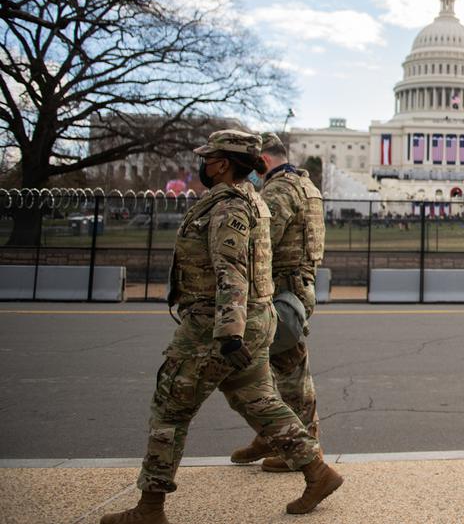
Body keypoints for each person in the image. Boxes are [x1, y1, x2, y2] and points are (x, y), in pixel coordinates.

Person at [100, 130, 342, 524]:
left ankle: (150, 507)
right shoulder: (254, 200)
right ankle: (318, 471)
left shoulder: (229, 206)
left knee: (170, 409)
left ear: (223, 163)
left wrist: (229, 333)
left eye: (209, 158)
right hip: (254, 316)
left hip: (217, 322)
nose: (203, 164)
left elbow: (232, 271)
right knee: (259, 398)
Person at [230, 132, 327, 472]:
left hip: (283, 290)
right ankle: (271, 435)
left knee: (289, 371)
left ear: (265, 161)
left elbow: (261, 240)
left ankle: (304, 448)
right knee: (266, 368)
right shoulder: (306, 185)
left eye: (255, 166)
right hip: (297, 286)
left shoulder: (280, 190)